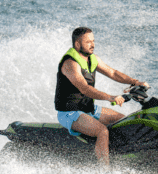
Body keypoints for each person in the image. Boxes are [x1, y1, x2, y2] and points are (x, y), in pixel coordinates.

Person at [55, 27, 146, 165]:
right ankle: (104, 173)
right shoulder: (70, 64)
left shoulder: (93, 59)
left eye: (93, 41)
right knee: (102, 131)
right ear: (77, 44)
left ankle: (126, 157)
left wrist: (135, 82)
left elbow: (113, 73)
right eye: (88, 42)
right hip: (69, 112)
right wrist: (110, 97)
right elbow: (84, 89)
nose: (93, 45)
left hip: (89, 109)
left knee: (125, 122)